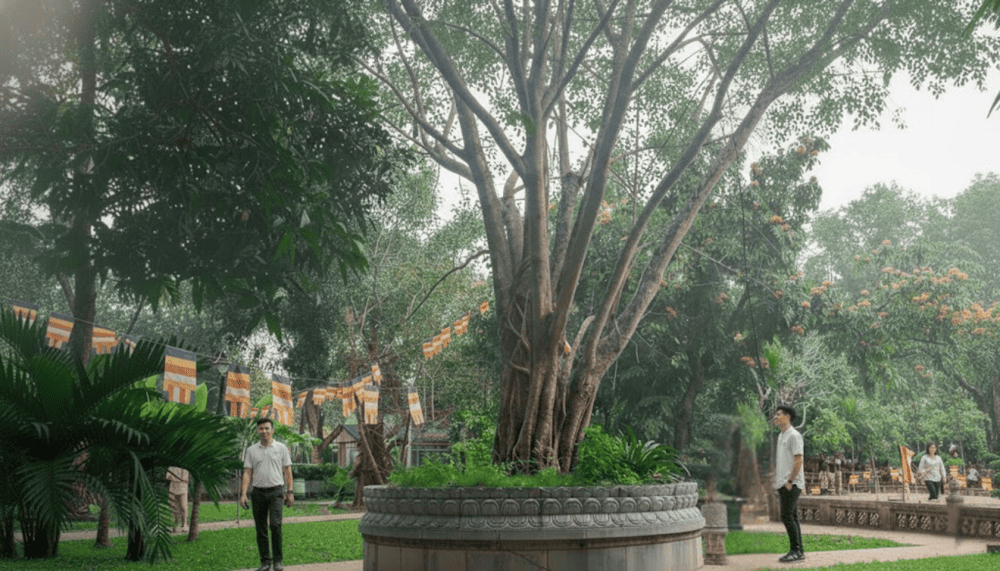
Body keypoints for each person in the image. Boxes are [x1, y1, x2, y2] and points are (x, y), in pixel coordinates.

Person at [240, 418, 294, 571]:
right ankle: (265, 562)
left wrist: (290, 492)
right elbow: (247, 473)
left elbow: (287, 471)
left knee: (275, 525)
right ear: (257, 431)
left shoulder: (281, 448)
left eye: (266, 428)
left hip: (276, 492)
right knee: (261, 528)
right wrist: (243, 494)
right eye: (261, 429)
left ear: (272, 430)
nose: (264, 431)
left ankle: (278, 561)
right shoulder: (251, 450)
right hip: (257, 492)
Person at [773, 405, 804, 563]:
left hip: (792, 483)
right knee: (792, 516)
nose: (775, 417)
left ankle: (795, 550)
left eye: (778, 415)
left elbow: (799, 459)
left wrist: (790, 481)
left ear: (787, 417)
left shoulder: (794, 435)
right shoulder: (781, 436)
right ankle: (799, 550)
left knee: (786, 516)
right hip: (783, 483)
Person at [165, 466, 189, 532]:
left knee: (183, 507)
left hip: (183, 488)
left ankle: (184, 525)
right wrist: (178, 478)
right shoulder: (171, 467)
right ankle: (174, 525)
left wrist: (174, 477)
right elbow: (168, 477)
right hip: (173, 488)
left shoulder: (185, 467)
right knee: (174, 508)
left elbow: (185, 479)